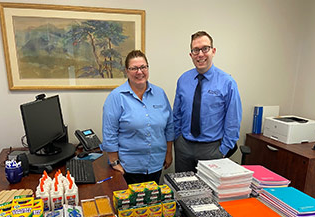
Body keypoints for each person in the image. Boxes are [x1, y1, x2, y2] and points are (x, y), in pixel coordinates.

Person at [101, 50, 174, 185]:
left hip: (156, 164)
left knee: (153, 205)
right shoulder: (116, 97)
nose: (139, 72)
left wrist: (169, 153)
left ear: (147, 68)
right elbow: (109, 132)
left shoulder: (160, 93)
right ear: (126, 71)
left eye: (143, 67)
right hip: (129, 168)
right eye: (134, 68)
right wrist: (114, 162)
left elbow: (169, 126)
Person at [173, 31, 242, 173]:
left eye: (205, 48)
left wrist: (223, 150)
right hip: (184, 148)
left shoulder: (227, 82)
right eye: (195, 50)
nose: (200, 54)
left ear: (213, 51)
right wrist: (177, 140)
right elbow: (177, 114)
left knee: (210, 193)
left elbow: (233, 120)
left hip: (212, 150)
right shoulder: (183, 80)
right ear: (191, 54)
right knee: (182, 191)